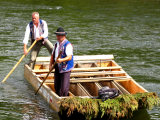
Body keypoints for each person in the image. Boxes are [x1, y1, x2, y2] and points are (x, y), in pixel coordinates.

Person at [49, 27, 74, 96]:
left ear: (64, 36)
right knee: (57, 85)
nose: (58, 37)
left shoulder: (68, 45)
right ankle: (57, 96)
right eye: (57, 35)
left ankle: (63, 99)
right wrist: (50, 65)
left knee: (64, 88)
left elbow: (69, 57)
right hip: (57, 66)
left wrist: (61, 60)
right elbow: (52, 55)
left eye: (60, 36)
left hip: (65, 68)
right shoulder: (56, 44)